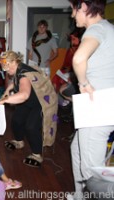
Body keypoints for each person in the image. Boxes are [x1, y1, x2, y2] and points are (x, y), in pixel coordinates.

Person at [67, 0, 114, 199]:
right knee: (77, 149)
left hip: (97, 106)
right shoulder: (108, 28)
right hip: (103, 104)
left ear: (84, 7)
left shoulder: (97, 29)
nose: (72, 15)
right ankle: (80, 196)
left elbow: (78, 58)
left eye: (73, 9)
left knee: (92, 173)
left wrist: (83, 83)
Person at [0, 51, 58, 168]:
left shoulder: (24, 74)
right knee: (16, 120)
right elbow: (15, 81)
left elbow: (24, 95)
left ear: (14, 61)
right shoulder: (17, 69)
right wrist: (7, 90)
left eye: (7, 66)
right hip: (29, 101)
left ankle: (37, 154)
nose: (6, 70)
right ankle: (19, 142)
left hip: (39, 102)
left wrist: (4, 100)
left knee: (31, 127)